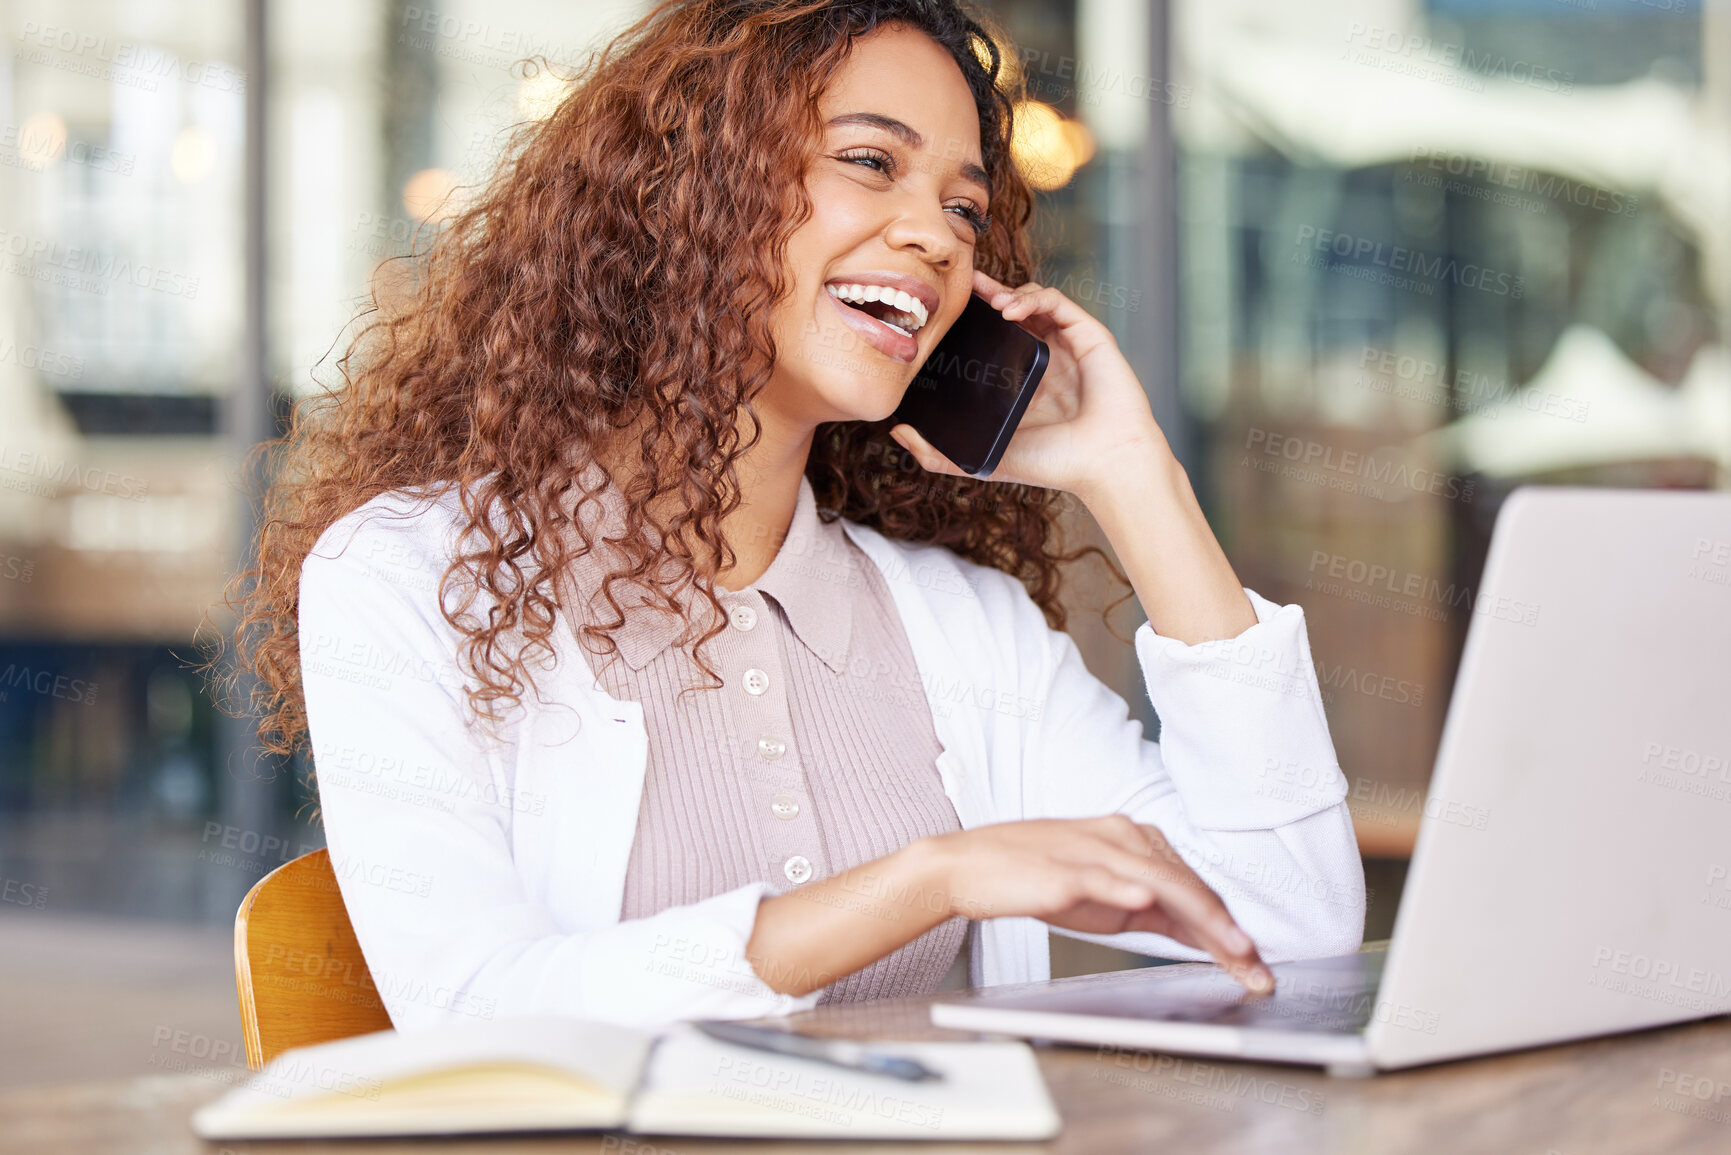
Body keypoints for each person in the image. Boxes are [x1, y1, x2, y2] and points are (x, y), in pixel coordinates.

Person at [232, 0, 1364, 1032]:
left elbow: (1294, 931)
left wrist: (1133, 473)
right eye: (872, 162)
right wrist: (932, 878)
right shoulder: (414, 576)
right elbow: (478, 1008)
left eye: (964, 208)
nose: (936, 237)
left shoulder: (957, 627)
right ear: (686, 189)